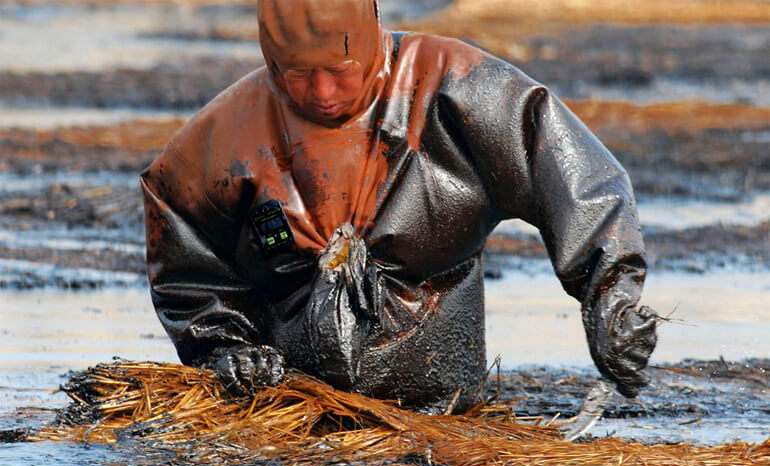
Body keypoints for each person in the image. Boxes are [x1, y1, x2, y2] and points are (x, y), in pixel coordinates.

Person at [140, 0, 657, 414]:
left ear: (370, 38)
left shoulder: (454, 89)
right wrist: (221, 348)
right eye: (297, 73)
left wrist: (610, 295)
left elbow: (576, 175)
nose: (322, 92)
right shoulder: (224, 138)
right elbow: (184, 248)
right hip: (290, 417)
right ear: (269, 58)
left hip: (445, 415)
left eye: (339, 69)